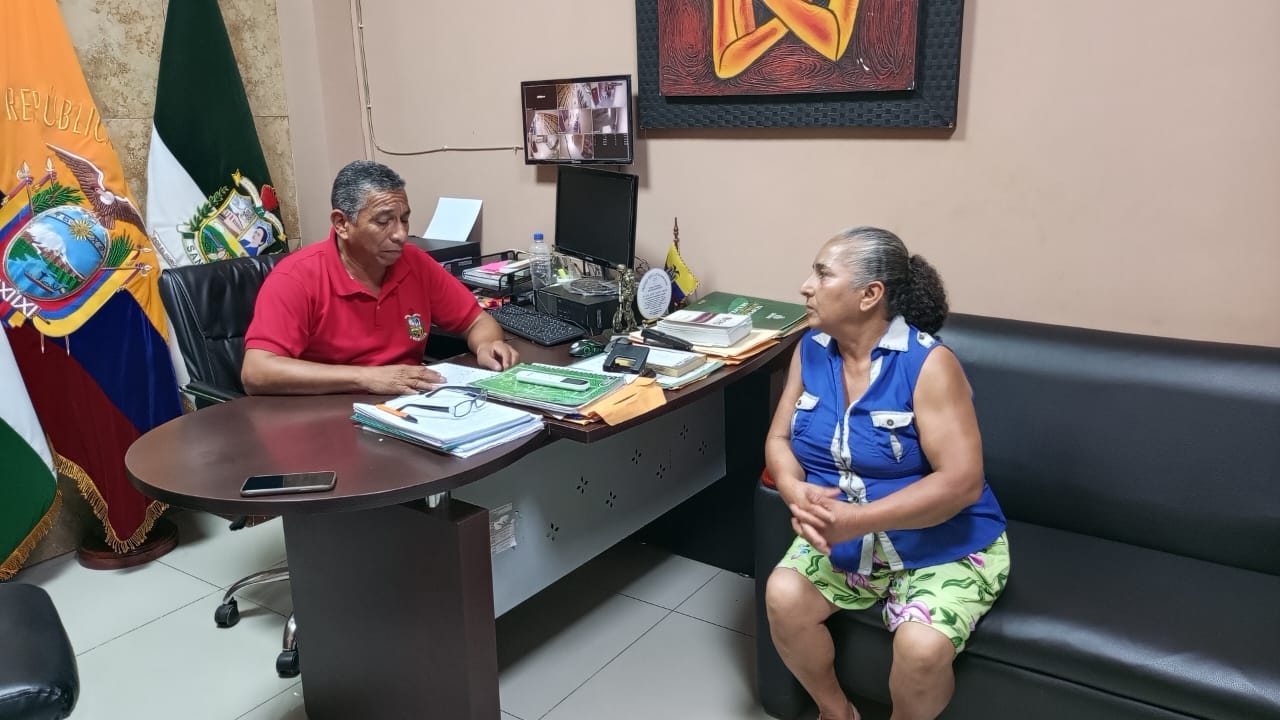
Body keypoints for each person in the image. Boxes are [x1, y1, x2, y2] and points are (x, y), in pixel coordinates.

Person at [764, 227, 1009, 720]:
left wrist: (856, 520)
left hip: (942, 542)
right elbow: (779, 440)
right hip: (849, 540)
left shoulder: (928, 364)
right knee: (784, 597)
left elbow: (961, 482)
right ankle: (836, 712)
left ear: (869, 294)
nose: (806, 286)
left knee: (921, 648)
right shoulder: (811, 350)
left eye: (823, 274)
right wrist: (793, 489)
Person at [241, 160, 517, 395]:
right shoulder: (296, 277)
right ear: (342, 224)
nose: (400, 235)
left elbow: (476, 321)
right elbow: (256, 372)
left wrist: (487, 344)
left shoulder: (414, 262)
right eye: (384, 222)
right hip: (325, 414)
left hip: (406, 407)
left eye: (404, 219)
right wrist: (366, 377)